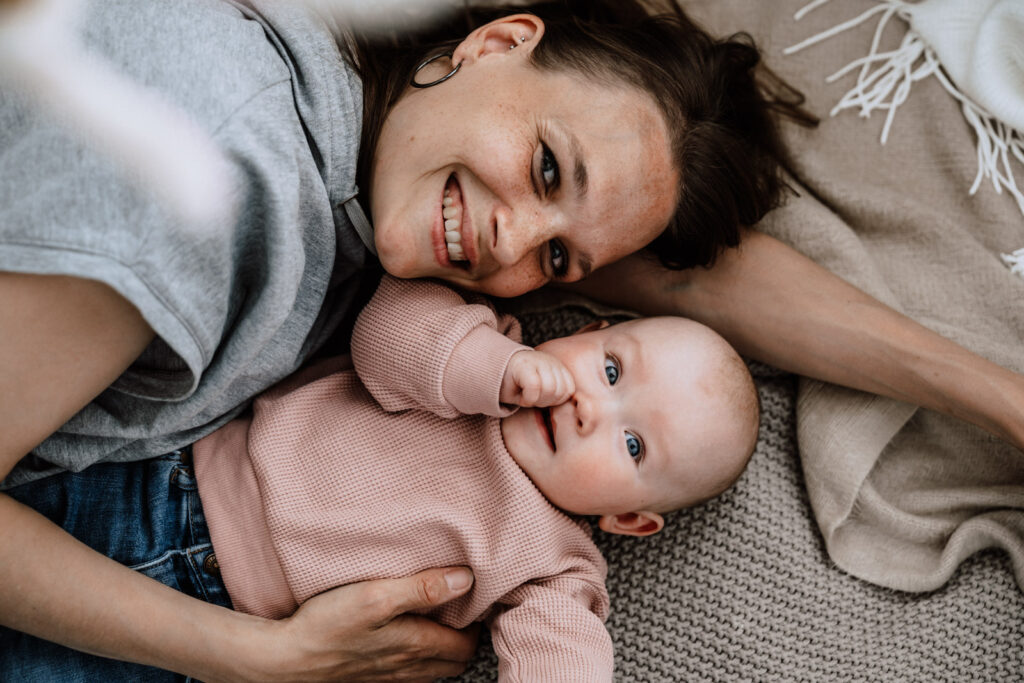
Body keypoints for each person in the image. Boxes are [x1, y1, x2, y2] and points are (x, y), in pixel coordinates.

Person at [1, 0, 1021, 679]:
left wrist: (997, 398)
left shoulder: (383, 175)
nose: (512, 249)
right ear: (493, 41)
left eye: (563, 263)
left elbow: (694, 290)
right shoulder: (209, 175)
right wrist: (255, 656)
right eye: (544, 167)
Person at [3, 274, 760, 680]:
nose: (595, 406)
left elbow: (566, 654)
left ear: (630, 519)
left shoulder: (554, 565)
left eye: (632, 444)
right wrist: (490, 370)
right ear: (589, 331)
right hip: (154, 475)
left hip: (211, 629)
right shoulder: (472, 344)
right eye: (611, 367)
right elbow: (385, 330)